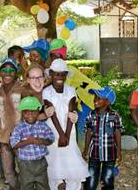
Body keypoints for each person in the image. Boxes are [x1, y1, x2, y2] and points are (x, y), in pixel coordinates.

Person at [42, 59, 89, 190]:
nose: (59, 77)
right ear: (50, 74)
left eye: (62, 74)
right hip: (53, 130)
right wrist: (61, 135)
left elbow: (71, 110)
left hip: (69, 129)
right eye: (56, 74)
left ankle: (73, 186)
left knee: (71, 159)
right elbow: (52, 115)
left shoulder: (70, 90)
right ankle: (57, 185)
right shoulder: (46, 92)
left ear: (66, 75)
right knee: (55, 160)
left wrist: (67, 135)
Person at [10, 96, 55, 190]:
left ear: (38, 111)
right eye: (26, 112)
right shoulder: (19, 128)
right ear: (22, 113)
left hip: (41, 163)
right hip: (25, 164)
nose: (30, 114)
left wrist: (42, 141)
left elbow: (51, 138)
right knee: (26, 186)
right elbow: (14, 144)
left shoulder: (43, 126)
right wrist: (28, 141)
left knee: (43, 186)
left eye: (33, 111)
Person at [83, 86, 122, 190]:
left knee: (107, 179)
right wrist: (86, 150)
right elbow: (88, 132)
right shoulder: (91, 115)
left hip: (110, 154)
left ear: (108, 102)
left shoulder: (115, 116)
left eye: (99, 98)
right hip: (94, 153)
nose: (95, 100)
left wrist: (119, 150)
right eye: (95, 97)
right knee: (91, 178)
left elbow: (117, 132)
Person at [0, 58, 23, 189]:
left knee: (24, 169)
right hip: (3, 139)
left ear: (16, 73)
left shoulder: (23, 90)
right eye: (4, 70)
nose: (7, 73)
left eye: (11, 70)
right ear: (0, 72)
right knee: (8, 171)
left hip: (22, 139)